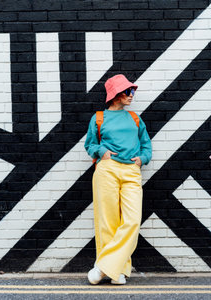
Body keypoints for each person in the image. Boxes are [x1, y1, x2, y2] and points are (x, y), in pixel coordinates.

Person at [84, 74, 152, 285]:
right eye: (127, 91)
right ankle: (118, 271)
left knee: (131, 221)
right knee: (108, 222)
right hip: (107, 169)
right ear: (115, 95)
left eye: (132, 91)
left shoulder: (134, 118)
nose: (132, 95)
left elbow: (146, 145)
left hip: (131, 171)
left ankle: (103, 267)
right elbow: (90, 145)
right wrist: (101, 151)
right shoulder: (98, 118)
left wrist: (142, 159)